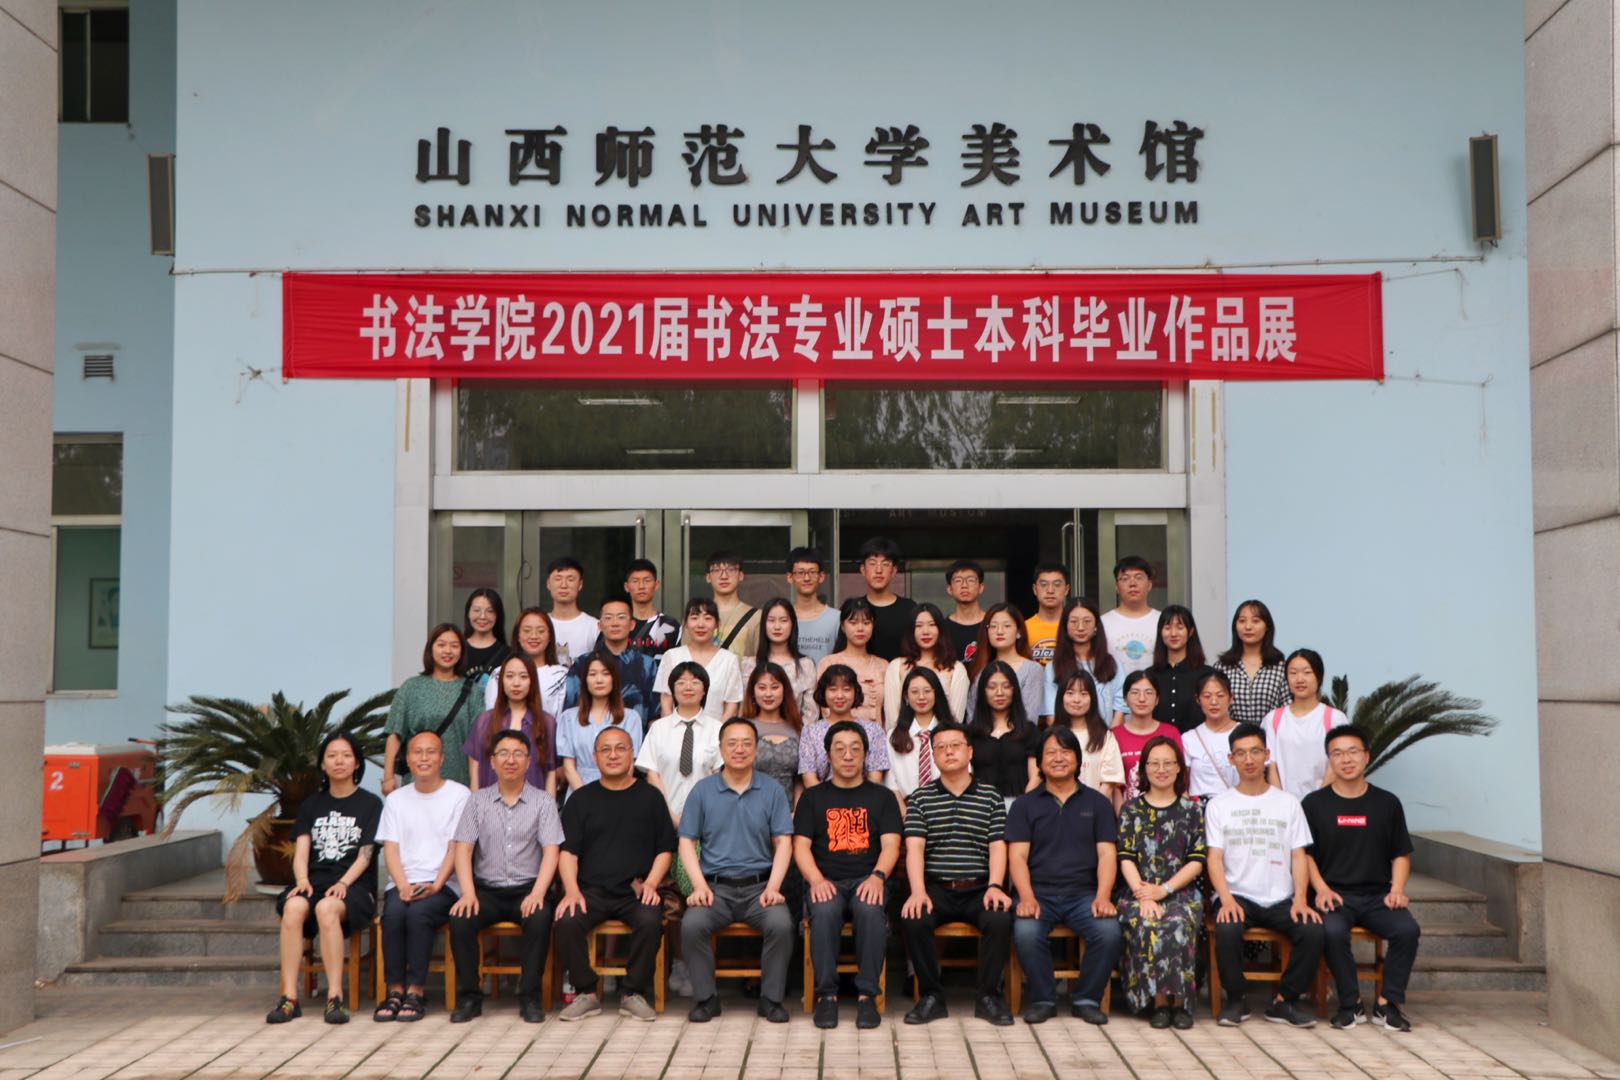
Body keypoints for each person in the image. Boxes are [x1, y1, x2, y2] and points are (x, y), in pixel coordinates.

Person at [553, 726, 677, 1023]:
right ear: (595, 757)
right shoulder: (581, 799)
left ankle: (632, 993)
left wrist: (652, 883)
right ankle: (586, 992)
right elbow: (568, 853)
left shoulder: (650, 797)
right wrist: (571, 890)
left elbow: (665, 849)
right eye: (605, 749)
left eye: (620, 748)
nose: (613, 755)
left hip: (636, 889)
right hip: (591, 891)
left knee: (650, 920)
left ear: (632, 754)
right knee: (566, 920)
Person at [1205, 722, 1323, 1028]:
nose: (1249, 759)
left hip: (1281, 897)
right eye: (1241, 753)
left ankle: (1286, 1000)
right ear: (1231, 759)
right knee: (1227, 928)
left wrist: (1300, 899)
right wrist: (1225, 899)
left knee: (1312, 929)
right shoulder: (1219, 805)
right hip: (1237, 895)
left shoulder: (1288, 803)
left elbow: (1299, 854)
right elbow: (1214, 857)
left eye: (1255, 751)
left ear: (1267, 755)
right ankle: (1236, 999)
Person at [679, 717, 797, 1024]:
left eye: (747, 743)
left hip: (760, 889)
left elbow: (783, 842)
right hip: (715, 889)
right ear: (721, 748)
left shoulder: (771, 790)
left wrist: (774, 887)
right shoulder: (703, 791)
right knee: (692, 925)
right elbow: (686, 842)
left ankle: (770, 999)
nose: (739, 749)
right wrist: (699, 886)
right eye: (732, 743)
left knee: (781, 924)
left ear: (756, 749)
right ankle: (707, 999)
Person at [1304, 724, 1421, 1032]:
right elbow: (1305, 855)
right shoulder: (1314, 804)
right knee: (1331, 931)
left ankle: (1387, 1004)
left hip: (1378, 896)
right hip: (1334, 895)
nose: (1346, 759)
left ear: (1366, 756)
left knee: (1407, 930)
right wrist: (1320, 889)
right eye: (1337, 753)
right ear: (1329, 760)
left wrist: (1397, 889)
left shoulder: (1387, 803)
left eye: (1353, 751)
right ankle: (1350, 1004)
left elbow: (1401, 853)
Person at [898, 722, 1015, 1027]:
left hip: (979, 887)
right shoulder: (921, 798)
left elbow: (997, 847)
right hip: (936, 888)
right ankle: (931, 997)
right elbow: (914, 849)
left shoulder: (990, 796)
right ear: (933, 755)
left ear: (970, 752)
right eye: (941, 747)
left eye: (955, 746)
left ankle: (989, 997)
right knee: (914, 917)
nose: (949, 752)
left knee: (999, 918)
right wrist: (918, 891)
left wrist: (995, 885)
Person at [447, 729, 564, 1024]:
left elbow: (551, 851)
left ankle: (530, 997)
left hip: (528, 889)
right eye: (503, 754)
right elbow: (463, 849)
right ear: (492, 761)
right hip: (486, 891)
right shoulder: (477, 801)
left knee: (539, 918)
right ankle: (470, 997)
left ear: (528, 762)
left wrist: (538, 893)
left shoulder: (543, 802)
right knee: (461, 919)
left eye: (518, 754)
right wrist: (468, 893)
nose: (510, 760)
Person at [1007, 726, 1122, 1026]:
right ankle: (1043, 1000)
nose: (1058, 758)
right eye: (1050, 753)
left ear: (1078, 759)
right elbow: (1017, 857)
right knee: (1026, 933)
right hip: (1038, 892)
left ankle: (1086, 1000)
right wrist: (1026, 897)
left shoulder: (1097, 803)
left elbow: (1107, 854)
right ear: (1039, 762)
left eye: (1065, 751)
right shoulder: (1024, 805)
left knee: (1109, 932)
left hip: (1084, 894)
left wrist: (1103, 896)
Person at [266, 733, 383, 1025]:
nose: (339, 761)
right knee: (293, 907)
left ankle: (335, 997)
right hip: (314, 881)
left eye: (346, 755)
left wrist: (343, 883)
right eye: (331, 756)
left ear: (357, 763)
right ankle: (288, 997)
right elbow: (301, 851)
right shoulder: (311, 805)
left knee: (326, 908)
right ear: (322, 764)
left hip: (355, 886)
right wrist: (301, 879)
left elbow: (365, 856)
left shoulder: (371, 804)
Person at [794, 720, 902, 1030]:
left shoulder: (882, 797)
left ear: (866, 754)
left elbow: (891, 844)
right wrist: (816, 880)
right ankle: (826, 996)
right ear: (828, 755)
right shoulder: (812, 798)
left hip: (868, 878)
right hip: (826, 879)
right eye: (839, 749)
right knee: (825, 911)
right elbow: (800, 846)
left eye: (856, 749)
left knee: (869, 911)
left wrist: (878, 876)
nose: (848, 755)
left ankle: (867, 996)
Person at [374, 731, 471, 1023]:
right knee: (393, 915)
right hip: (403, 882)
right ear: (407, 759)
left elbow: (456, 846)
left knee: (418, 915)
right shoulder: (396, 800)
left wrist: (437, 884)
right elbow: (391, 848)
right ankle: (395, 990)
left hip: (444, 884)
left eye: (431, 752)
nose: (424, 758)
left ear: (442, 758)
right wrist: (402, 885)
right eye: (417, 752)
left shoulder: (459, 795)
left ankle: (416, 991)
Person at [1116, 736, 1206, 1029]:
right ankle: (1158, 1003)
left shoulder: (1192, 810)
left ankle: (1180, 1003)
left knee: (1178, 922)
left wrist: (1164, 890)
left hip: (1180, 891)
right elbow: (1125, 857)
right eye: (1154, 763)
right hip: (1138, 890)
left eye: (1168, 763)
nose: (1161, 769)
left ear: (1179, 768)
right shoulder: (1131, 809)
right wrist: (1144, 895)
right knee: (1147, 923)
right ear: (1144, 769)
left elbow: (1196, 860)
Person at [383, 624, 480, 790]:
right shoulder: (411, 687)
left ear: (462, 651)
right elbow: (395, 733)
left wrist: (474, 784)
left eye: (454, 646)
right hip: (417, 782)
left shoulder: (472, 691)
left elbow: (475, 742)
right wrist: (388, 776)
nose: (448, 651)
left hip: (458, 782)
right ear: (430, 649)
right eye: (441, 645)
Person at [637, 661, 722, 823]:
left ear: (704, 690)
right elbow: (652, 774)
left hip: (707, 818)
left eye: (695, 682)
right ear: (672, 690)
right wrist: (671, 816)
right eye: (681, 682)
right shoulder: (658, 728)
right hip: (663, 817)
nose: (688, 687)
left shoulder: (718, 729)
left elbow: (720, 776)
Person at [465, 652, 557, 795]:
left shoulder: (546, 723)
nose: (516, 683)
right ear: (501, 680)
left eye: (523, 677)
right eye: (509, 676)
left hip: (533, 806)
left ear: (532, 681)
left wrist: (549, 807)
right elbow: (475, 769)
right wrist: (477, 805)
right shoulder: (484, 720)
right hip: (490, 805)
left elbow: (551, 773)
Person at [556, 653, 644, 795]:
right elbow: (569, 767)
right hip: (579, 794)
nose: (599, 680)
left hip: (618, 794)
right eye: (592, 674)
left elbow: (629, 766)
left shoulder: (631, 718)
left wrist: (611, 798)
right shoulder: (568, 718)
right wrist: (586, 799)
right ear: (585, 680)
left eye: (605, 674)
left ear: (614, 679)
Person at [564, 594, 657, 721]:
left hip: (636, 732)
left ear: (632, 624)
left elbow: (655, 715)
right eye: (608, 618)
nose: (615, 623)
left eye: (621, 617)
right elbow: (570, 711)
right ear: (599, 625)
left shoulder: (647, 665)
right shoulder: (583, 663)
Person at [1268, 648, 1342, 801]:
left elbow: (1336, 765)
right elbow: (1271, 766)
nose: (1299, 679)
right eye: (1293, 673)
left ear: (1319, 677)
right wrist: (1282, 803)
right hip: (1284, 806)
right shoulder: (1273, 719)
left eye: (1307, 672)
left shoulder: (1335, 718)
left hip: (1323, 803)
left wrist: (1316, 802)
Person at [653, 598, 743, 721]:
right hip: (677, 729)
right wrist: (670, 729)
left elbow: (731, 705)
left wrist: (719, 730)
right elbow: (666, 699)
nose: (701, 624)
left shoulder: (729, 660)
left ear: (716, 624)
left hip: (717, 730)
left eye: (707, 618)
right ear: (686, 623)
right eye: (694, 618)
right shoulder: (671, 656)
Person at [799, 665, 890, 786]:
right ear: (823, 692)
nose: (840, 696)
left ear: (855, 692)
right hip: (821, 796)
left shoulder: (873, 731)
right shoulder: (810, 732)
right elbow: (809, 779)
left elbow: (875, 778)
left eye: (846, 689)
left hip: (864, 797)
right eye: (833, 689)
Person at [883, 602, 969, 729]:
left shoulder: (956, 669)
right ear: (912, 631)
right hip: (904, 738)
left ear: (940, 629)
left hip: (944, 738)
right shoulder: (896, 667)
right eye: (919, 626)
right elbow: (892, 718)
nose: (926, 631)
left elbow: (956, 718)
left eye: (932, 625)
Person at [1049, 670, 1127, 808]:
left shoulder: (1104, 736)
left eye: (1083, 693)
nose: (1077, 699)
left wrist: (1089, 810)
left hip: (1094, 812)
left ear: (1092, 698)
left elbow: (1109, 782)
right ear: (1061, 697)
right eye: (1070, 693)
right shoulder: (1051, 736)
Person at [965, 662, 1039, 805]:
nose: (999, 693)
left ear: (1014, 690)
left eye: (1006, 686)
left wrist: (1021, 807)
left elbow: (1036, 776)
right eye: (992, 687)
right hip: (980, 805)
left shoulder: (1028, 730)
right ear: (983, 691)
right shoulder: (972, 732)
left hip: (1020, 803)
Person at [1042, 597, 1125, 724]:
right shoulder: (1053, 667)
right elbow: (1051, 714)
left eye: (1087, 621)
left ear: (1096, 625)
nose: (1080, 627)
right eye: (1074, 621)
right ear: (1065, 626)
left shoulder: (1112, 664)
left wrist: (1109, 735)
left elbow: (1120, 709)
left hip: (1106, 735)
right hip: (1066, 735)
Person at [740, 597, 819, 723]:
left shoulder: (805, 665)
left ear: (792, 624)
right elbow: (743, 709)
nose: (777, 626)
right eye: (771, 620)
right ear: (764, 625)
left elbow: (811, 713)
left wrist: (796, 733)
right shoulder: (749, 665)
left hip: (795, 733)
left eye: (783, 620)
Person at [1213, 599, 1290, 726]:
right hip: (1230, 735)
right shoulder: (1222, 667)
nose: (1248, 627)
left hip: (1270, 735)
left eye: (1255, 621)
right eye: (1242, 621)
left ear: (1267, 627)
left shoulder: (1281, 667)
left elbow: (1288, 709)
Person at [886, 667, 954, 809]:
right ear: (906, 696)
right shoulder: (893, 736)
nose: (921, 697)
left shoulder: (953, 733)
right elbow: (890, 783)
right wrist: (906, 815)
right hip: (906, 809)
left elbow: (963, 774)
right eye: (915, 692)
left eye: (927, 691)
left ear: (936, 694)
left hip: (946, 808)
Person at [965, 604, 1043, 728]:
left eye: (1007, 626)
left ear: (1019, 632)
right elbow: (972, 716)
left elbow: (1029, 718)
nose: (999, 631)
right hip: (982, 738)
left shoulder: (1032, 669)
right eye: (993, 626)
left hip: (1020, 737)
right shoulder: (979, 668)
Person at [1114, 672, 1186, 802]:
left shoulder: (1171, 733)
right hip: (1128, 810)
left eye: (1148, 693)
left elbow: (1180, 778)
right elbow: (1114, 787)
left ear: (1157, 699)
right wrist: (1122, 814)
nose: (1142, 699)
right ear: (1125, 699)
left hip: (1168, 810)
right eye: (1135, 692)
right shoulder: (1113, 736)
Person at [488, 608, 569, 721]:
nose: (534, 636)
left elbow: (565, 721)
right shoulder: (499, 674)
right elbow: (492, 717)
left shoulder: (562, 675)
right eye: (527, 631)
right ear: (517, 636)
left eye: (541, 631)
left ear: (550, 636)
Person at [816, 597, 887, 724]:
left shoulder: (883, 666)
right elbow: (825, 710)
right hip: (837, 734)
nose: (860, 628)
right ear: (843, 626)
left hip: (876, 734)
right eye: (853, 623)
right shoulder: (828, 663)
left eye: (866, 623)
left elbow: (888, 713)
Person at [740, 662, 803, 803]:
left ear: (784, 690)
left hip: (788, 810)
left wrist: (797, 810)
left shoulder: (797, 729)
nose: (768, 694)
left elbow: (800, 778)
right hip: (748, 807)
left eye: (774, 687)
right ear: (753, 692)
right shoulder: (742, 728)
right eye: (762, 688)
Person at [1147, 605, 1212, 734]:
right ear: (1160, 632)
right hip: (1158, 744)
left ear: (1191, 631)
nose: (1173, 633)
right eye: (1167, 628)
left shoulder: (1207, 675)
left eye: (1180, 627)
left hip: (1196, 744)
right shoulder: (1150, 675)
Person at [857, 536, 917, 661]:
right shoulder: (854, 609)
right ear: (863, 570)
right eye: (872, 563)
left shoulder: (910, 609)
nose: (878, 570)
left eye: (885, 564)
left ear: (894, 570)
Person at [1184, 670, 1241, 798]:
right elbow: (1182, 784)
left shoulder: (1246, 735)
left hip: (1238, 806)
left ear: (1231, 698)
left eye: (1220, 695)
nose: (1214, 702)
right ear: (1198, 699)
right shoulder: (1189, 738)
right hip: (1200, 807)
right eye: (1207, 696)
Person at [1100, 555, 1160, 677]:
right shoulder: (1103, 622)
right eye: (1125, 578)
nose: (1132, 583)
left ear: (1149, 585)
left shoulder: (1162, 621)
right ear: (1116, 587)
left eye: (1139, 577)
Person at [787, 547, 840, 664]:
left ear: (821, 577)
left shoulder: (837, 618)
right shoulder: (781, 619)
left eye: (812, 572)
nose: (807, 578)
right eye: (800, 573)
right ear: (790, 577)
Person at [545, 557, 599, 667]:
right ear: (548, 584)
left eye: (570, 579)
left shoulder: (594, 627)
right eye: (558, 579)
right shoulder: (539, 625)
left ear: (580, 584)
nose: (563, 585)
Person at [706, 550, 760, 658]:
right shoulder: (695, 617)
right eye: (717, 570)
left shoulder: (757, 616)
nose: (724, 576)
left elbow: (761, 661)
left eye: (731, 570)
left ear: (741, 575)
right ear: (708, 577)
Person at [625, 559, 680, 657]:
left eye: (647, 580)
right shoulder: (618, 624)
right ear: (627, 586)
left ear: (656, 585)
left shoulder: (670, 625)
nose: (641, 586)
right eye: (635, 581)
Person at [461, 588, 511, 693]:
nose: (482, 616)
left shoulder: (508, 654)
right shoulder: (458, 650)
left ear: (497, 615)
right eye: (476, 610)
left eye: (490, 611)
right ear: (468, 613)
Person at [943, 559, 988, 663]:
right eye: (958, 580)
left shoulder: (992, 624)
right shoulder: (942, 628)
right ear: (949, 589)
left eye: (971, 580)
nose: (964, 585)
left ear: (981, 587)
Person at [1025, 562, 1069, 666]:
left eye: (1057, 585)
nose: (1050, 590)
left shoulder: (1075, 627)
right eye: (1044, 584)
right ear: (1035, 589)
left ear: (1066, 589)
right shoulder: (1023, 629)